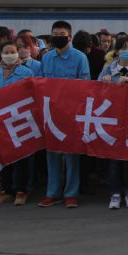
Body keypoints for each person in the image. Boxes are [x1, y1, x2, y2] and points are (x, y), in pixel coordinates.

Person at [38, 21, 90, 208]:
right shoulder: (46, 58)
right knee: (51, 153)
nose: (58, 37)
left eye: (62, 34)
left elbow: (85, 85)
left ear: (69, 37)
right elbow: (41, 83)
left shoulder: (80, 57)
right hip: (51, 112)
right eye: (55, 34)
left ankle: (71, 193)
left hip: (71, 112)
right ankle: (52, 193)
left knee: (71, 154)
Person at [0, 43, 37, 206]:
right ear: (1, 54)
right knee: (5, 156)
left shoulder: (26, 73)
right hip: (1, 121)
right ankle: (6, 190)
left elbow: (33, 94)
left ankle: (22, 190)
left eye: (13, 52)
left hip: (20, 119)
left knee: (22, 157)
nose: (10, 54)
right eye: (6, 52)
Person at [99, 36, 128, 209]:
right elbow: (96, 89)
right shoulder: (108, 68)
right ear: (117, 51)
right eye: (124, 48)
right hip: (113, 117)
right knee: (114, 158)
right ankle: (115, 193)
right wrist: (104, 83)